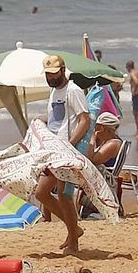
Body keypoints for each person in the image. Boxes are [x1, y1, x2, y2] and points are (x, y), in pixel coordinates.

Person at [34, 56, 88, 253]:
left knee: (65, 196)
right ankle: (74, 229)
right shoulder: (53, 91)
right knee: (41, 192)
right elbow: (57, 119)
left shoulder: (73, 90)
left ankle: (73, 241)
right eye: (47, 74)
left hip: (66, 151)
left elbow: (84, 120)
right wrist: (41, 121)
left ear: (63, 70)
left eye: (54, 73)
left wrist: (71, 145)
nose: (50, 77)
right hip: (53, 150)